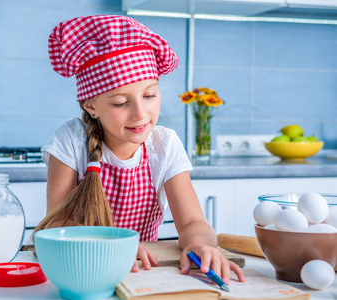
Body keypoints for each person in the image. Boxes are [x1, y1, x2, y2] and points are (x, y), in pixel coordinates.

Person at [34, 15, 244, 284]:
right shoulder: (70, 140)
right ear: (91, 106)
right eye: (121, 102)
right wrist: (115, 247)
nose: (140, 114)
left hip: (143, 274)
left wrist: (202, 244)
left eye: (149, 95)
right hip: (85, 271)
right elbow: (57, 225)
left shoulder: (164, 144)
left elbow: (192, 222)